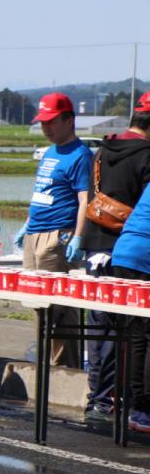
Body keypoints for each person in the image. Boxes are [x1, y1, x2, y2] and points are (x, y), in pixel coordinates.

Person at [79, 91, 150, 422]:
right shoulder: (147, 155)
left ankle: (98, 399)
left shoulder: (103, 149)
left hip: (96, 244)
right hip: (129, 247)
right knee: (133, 332)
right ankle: (119, 403)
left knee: (100, 328)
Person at [13, 92, 92, 368]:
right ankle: (46, 361)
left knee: (58, 307)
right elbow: (42, 192)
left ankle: (64, 368)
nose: (46, 128)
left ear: (69, 120)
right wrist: (27, 224)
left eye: (52, 122)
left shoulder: (81, 155)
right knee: (37, 303)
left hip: (58, 235)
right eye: (43, 122)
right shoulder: (49, 152)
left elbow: (85, 199)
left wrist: (78, 236)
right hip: (34, 233)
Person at [109, 177, 150, 433]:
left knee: (136, 335)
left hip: (124, 253)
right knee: (146, 334)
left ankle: (136, 408)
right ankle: (145, 409)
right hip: (144, 256)